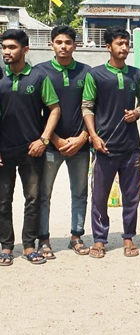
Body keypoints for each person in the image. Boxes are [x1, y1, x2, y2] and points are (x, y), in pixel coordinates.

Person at [82, 26, 140, 258]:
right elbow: (87, 107)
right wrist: (94, 136)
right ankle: (99, 240)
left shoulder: (137, 75)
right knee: (99, 196)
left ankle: (129, 238)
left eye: (127, 44)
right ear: (108, 47)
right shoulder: (95, 74)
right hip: (104, 146)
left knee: (132, 196)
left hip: (131, 147)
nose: (125, 48)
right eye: (120, 43)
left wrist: (137, 112)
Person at [0, 29, 60, 266]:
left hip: (32, 149)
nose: (7, 51)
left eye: (12, 47)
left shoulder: (38, 77)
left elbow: (54, 109)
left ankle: (28, 246)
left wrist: (44, 139)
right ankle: (6, 246)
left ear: (25, 49)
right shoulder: (0, 77)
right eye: (4, 47)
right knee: (3, 201)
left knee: (33, 198)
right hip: (4, 151)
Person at [35, 26, 93, 259]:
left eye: (68, 42)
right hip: (50, 145)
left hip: (80, 144)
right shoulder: (40, 72)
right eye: (58, 42)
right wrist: (54, 139)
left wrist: (83, 137)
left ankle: (76, 236)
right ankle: (44, 239)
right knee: (44, 193)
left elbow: (91, 108)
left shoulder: (86, 72)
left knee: (79, 192)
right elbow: (35, 113)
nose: (63, 46)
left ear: (75, 45)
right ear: (51, 45)